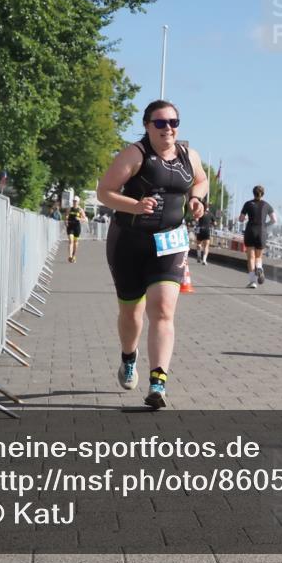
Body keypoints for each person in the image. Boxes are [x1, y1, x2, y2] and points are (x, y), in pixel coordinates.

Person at [96, 100, 208, 409]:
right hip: (129, 242)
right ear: (147, 126)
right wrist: (134, 205)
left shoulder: (189, 155)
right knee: (131, 313)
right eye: (160, 123)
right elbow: (104, 191)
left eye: (173, 121)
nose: (168, 128)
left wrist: (196, 199)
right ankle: (128, 357)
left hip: (171, 241)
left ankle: (158, 382)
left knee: (162, 309)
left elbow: (201, 179)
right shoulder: (135, 155)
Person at [239, 185, 276, 288]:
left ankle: (253, 282)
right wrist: (265, 225)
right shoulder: (267, 205)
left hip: (250, 231)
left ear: (253, 193)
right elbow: (274, 220)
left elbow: (241, 219)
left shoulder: (248, 204)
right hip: (261, 232)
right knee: (258, 257)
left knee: (251, 257)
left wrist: (245, 219)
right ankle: (259, 267)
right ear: (263, 194)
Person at [64, 197, 87, 263]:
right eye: (73, 201)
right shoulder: (69, 209)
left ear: (78, 202)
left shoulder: (80, 210)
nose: (74, 202)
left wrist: (79, 219)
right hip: (70, 226)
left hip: (77, 227)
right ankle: (70, 256)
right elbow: (66, 216)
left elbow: (85, 219)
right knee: (71, 240)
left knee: (75, 242)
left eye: (76, 201)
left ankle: (74, 255)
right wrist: (66, 220)